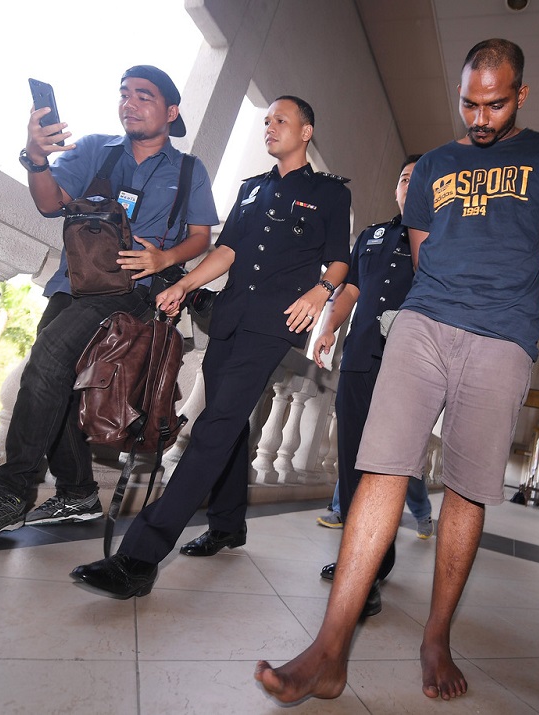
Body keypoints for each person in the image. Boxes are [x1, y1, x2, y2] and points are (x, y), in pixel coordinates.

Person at [255, 38, 539, 703]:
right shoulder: (434, 165)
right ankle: (330, 648)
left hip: (502, 336)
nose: (481, 118)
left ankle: (436, 637)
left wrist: (514, 322)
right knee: (381, 467)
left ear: (521, 95)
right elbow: (423, 253)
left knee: (465, 487)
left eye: (496, 105)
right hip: (424, 321)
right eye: (470, 103)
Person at [69, 95, 351, 599]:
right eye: (266, 121)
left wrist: (320, 291)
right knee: (230, 419)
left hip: (274, 323)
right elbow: (227, 250)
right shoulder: (252, 188)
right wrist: (182, 284)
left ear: (306, 131)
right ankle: (227, 524)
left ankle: (140, 557)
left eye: (281, 120)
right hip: (230, 316)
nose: (270, 127)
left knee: (214, 426)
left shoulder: (329, 193)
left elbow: (339, 259)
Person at [0, 66, 219, 543]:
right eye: (124, 94)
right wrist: (37, 159)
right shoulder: (95, 150)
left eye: (144, 96)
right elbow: (51, 203)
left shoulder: (189, 170)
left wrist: (165, 258)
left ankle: (10, 492)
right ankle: (78, 493)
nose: (130, 103)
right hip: (73, 284)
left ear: (171, 112)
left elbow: (201, 237)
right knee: (53, 382)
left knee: (48, 359)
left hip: (133, 292)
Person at [312, 156, 434, 616]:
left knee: (385, 468)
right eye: (404, 178)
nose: (409, 185)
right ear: (395, 189)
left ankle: (369, 565)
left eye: (420, 179)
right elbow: (352, 289)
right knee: (350, 462)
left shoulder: (441, 238)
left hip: (408, 367)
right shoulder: (373, 235)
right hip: (360, 359)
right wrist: (329, 328)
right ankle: (360, 552)